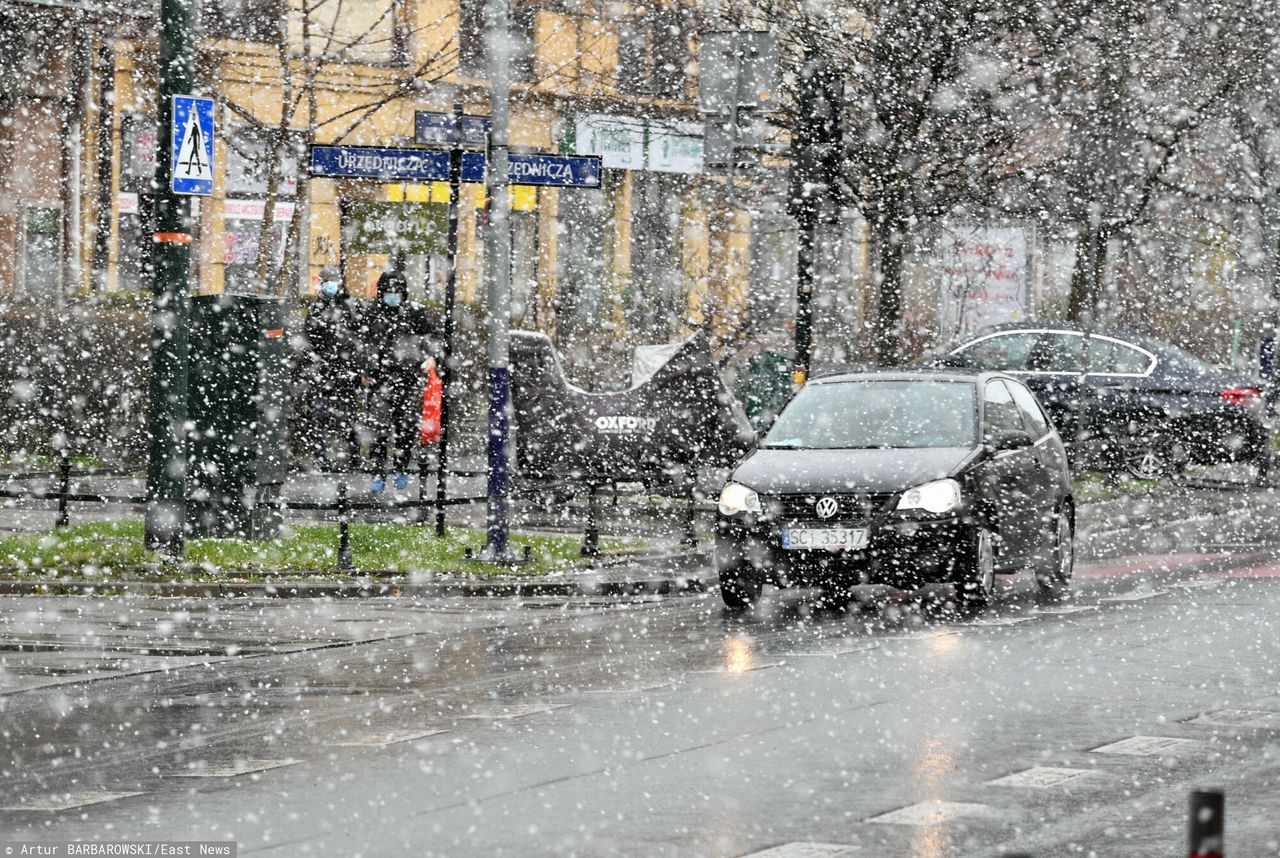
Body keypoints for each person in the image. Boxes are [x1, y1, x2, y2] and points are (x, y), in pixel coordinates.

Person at [359, 270, 436, 493]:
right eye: (389, 291)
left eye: (397, 292)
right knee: (379, 430)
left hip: (408, 380)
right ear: (381, 292)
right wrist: (363, 372)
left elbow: (434, 337)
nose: (393, 295)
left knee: (406, 428)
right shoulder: (371, 314)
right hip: (379, 381)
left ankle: (401, 469)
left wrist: (431, 357)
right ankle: (378, 472)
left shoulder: (413, 313)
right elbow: (360, 344)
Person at [304, 265, 362, 471]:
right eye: (327, 280)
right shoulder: (316, 307)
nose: (331, 283)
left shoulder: (349, 305)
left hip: (344, 371)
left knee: (348, 417)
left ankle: (354, 457)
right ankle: (322, 460)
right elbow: (310, 338)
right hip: (323, 371)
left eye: (333, 279)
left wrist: (356, 367)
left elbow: (358, 337)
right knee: (320, 418)